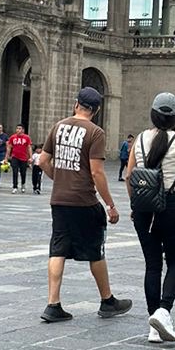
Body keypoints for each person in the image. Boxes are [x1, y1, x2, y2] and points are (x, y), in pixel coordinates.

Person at [36, 86, 131, 325]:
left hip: (59, 199)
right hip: (84, 200)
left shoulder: (58, 126)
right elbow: (98, 172)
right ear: (96, 110)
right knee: (95, 250)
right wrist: (110, 204)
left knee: (58, 248)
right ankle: (107, 300)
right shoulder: (95, 132)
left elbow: (43, 160)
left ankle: (53, 304)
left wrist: (58, 178)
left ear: (76, 104)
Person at [126, 94, 175, 344]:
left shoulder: (140, 139)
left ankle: (153, 325)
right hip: (170, 205)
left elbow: (129, 176)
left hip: (144, 209)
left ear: (153, 115)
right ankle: (164, 311)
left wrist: (136, 204)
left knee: (152, 264)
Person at [7, 124, 32, 191]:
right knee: (15, 171)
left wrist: (30, 157)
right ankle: (15, 186)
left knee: (23, 172)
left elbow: (29, 147)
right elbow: (9, 147)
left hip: (23, 157)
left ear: (23, 130)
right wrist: (6, 157)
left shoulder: (26, 138)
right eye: (17, 128)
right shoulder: (13, 137)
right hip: (15, 156)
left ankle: (23, 184)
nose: (18, 130)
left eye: (20, 128)